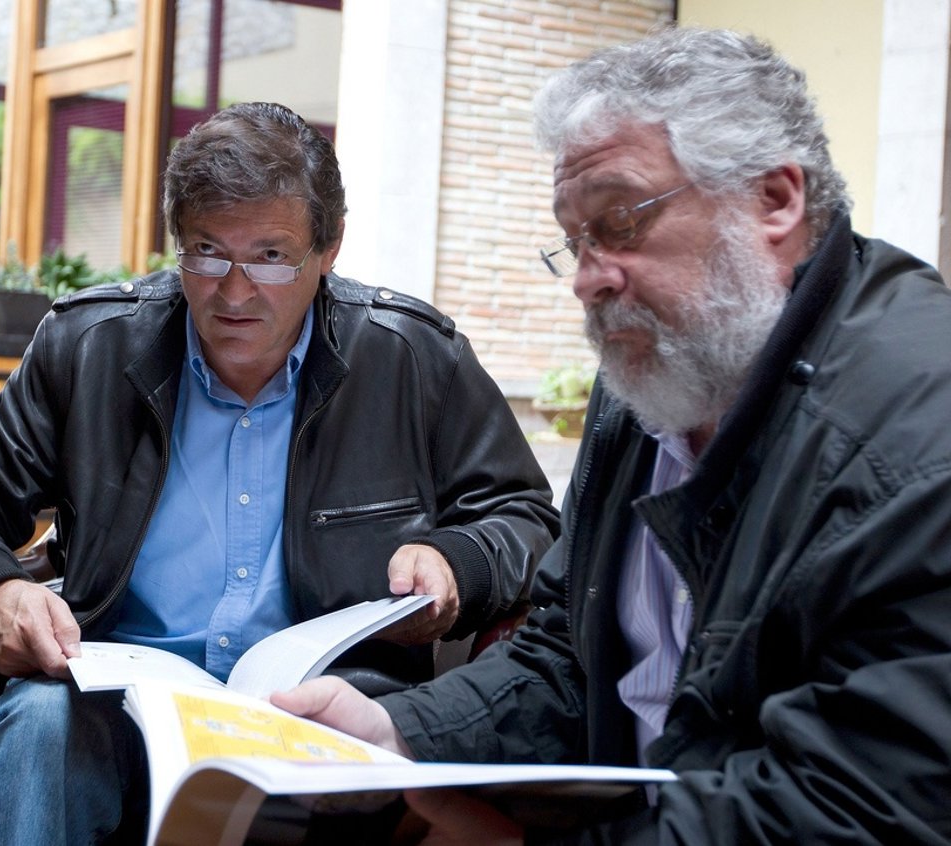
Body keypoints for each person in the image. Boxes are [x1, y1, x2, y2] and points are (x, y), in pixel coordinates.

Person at [273, 26, 951, 844]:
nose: (589, 279)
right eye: (576, 240)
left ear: (774, 200)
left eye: (621, 221)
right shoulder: (655, 373)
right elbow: (567, 654)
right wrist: (399, 732)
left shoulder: (916, 435)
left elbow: (862, 806)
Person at [0, 101, 559, 843]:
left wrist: (458, 561)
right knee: (40, 723)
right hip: (115, 697)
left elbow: (524, 514)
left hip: (330, 702)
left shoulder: (412, 357)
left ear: (329, 247)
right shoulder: (91, 347)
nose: (234, 292)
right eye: (207, 252)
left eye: (271, 256)